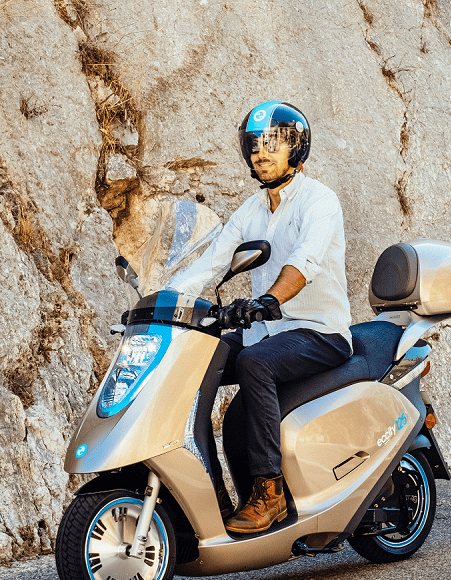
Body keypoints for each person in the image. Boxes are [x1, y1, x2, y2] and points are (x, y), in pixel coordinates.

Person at [167, 101, 353, 534]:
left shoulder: (319, 201)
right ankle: (207, 489)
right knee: (195, 357)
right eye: (254, 144)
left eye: (273, 143)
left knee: (255, 364)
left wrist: (268, 300)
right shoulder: (250, 211)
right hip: (266, 331)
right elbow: (211, 264)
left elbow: (304, 262)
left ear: (297, 148)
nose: (261, 152)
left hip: (318, 331)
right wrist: (161, 300)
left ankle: (270, 494)